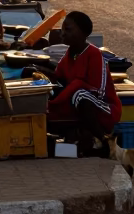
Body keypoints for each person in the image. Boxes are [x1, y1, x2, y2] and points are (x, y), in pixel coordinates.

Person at [46, 11, 122, 152]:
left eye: (68, 30)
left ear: (83, 33)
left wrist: (74, 87)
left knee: (79, 95)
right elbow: (59, 79)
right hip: (81, 107)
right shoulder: (69, 55)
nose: (63, 33)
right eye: (62, 29)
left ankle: (103, 139)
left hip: (104, 108)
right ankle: (80, 143)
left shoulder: (94, 54)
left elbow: (99, 93)